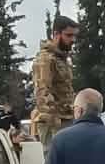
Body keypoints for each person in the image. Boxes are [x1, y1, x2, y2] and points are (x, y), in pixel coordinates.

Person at [30, 16, 79, 144]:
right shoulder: (46, 59)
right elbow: (42, 93)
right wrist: (54, 124)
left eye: (74, 36)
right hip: (54, 122)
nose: (73, 40)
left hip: (66, 119)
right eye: (68, 35)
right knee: (55, 162)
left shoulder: (61, 59)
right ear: (56, 34)